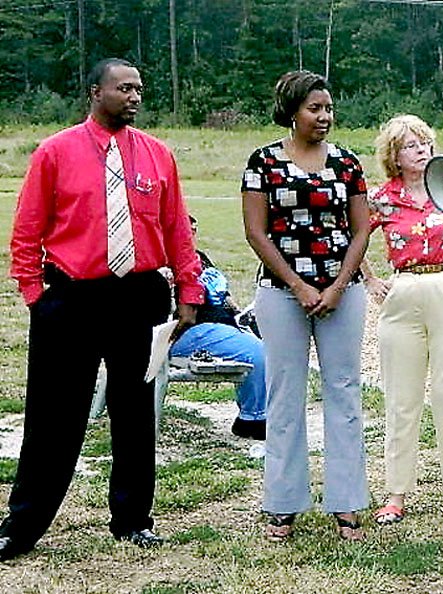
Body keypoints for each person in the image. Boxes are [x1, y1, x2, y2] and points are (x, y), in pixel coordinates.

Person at [1, 58, 203, 561]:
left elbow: (177, 229)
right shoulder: (54, 153)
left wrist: (189, 293)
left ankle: (133, 519)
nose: (134, 97)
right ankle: (22, 525)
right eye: (124, 88)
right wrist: (36, 297)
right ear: (96, 92)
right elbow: (27, 231)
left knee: (135, 414)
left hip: (139, 297)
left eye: (139, 89)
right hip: (72, 298)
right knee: (54, 417)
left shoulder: (158, 156)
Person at [242, 70, 369, 542]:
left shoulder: (347, 163)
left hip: (341, 292)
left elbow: (361, 229)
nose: (324, 117)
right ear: (292, 111)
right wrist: (297, 285)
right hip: (281, 293)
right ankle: (283, 503)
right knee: (285, 395)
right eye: (314, 109)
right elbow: (256, 232)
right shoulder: (263, 163)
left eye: (328, 108)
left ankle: (347, 503)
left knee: (343, 391)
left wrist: (337, 286)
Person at [362, 114, 443, 526]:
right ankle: (396, 493)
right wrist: (370, 280)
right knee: (402, 400)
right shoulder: (382, 198)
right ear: (394, 156)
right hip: (404, 291)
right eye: (412, 145)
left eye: (426, 143)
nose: (423, 151)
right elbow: (353, 239)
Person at [169, 215, 266, 440]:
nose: (191, 235)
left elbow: (225, 298)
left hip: (220, 324)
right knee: (256, 353)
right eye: (187, 230)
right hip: (190, 330)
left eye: (194, 230)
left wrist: (243, 315)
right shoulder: (165, 260)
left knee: (273, 341)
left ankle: (262, 413)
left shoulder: (200, 257)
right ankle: (254, 420)